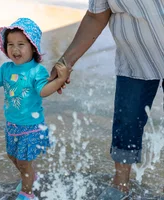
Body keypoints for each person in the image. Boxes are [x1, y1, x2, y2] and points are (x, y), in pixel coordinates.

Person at [48, 0, 164, 199]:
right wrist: (65, 62)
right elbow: (96, 15)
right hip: (135, 59)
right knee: (127, 118)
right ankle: (121, 184)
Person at [0, 18, 71, 200]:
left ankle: (27, 193)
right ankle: (31, 177)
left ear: (32, 47)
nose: (15, 49)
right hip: (13, 125)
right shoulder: (6, 69)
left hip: (30, 126)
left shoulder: (37, 71)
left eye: (20, 44)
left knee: (24, 163)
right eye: (10, 44)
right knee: (13, 156)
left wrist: (59, 80)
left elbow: (43, 91)